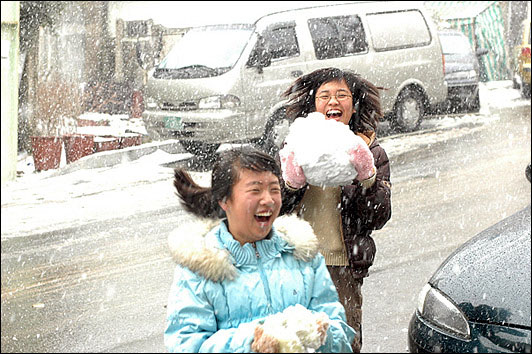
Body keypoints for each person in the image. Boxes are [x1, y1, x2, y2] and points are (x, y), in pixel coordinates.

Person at [164, 146, 355, 353]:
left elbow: (339, 331)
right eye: (255, 190)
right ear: (224, 200)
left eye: (274, 189)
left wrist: (322, 336)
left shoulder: (302, 254)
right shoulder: (200, 266)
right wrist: (248, 344)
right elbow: (186, 345)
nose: (268, 200)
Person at [277, 67, 392, 353]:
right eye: (324, 95)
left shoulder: (369, 149)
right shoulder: (296, 143)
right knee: (296, 343)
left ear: (354, 105)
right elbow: (271, 209)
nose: (333, 102)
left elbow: (378, 216)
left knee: (342, 342)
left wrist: (367, 178)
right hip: (297, 264)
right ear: (313, 104)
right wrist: (289, 185)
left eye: (342, 95)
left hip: (343, 265)